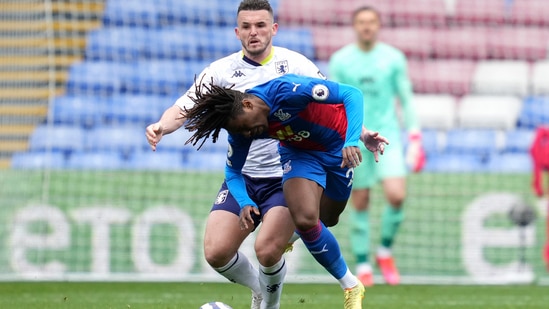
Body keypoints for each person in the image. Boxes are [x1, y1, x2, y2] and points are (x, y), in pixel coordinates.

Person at [146, 1, 329, 308]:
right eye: (246, 27)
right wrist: (163, 126)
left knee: (268, 251)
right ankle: (261, 290)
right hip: (243, 176)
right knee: (216, 252)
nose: (253, 32)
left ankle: (270, 302)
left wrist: (358, 134)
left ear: (273, 29)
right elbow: (184, 106)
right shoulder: (221, 71)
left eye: (260, 25)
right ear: (237, 31)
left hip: (288, 175)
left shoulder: (295, 64)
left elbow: (331, 100)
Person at [182, 73, 389, 309]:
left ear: (248, 105)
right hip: (299, 154)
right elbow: (233, 172)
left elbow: (352, 94)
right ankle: (351, 286)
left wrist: (354, 139)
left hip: (338, 147)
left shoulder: (287, 90)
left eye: (245, 127)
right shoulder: (242, 129)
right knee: (305, 219)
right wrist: (244, 201)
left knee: (328, 218)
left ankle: (292, 235)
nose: (248, 134)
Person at [329, 6, 425, 287]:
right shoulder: (342, 60)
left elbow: (405, 98)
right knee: (360, 201)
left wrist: (415, 137)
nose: (366, 27)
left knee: (396, 196)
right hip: (356, 138)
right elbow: (335, 101)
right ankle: (362, 262)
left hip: (388, 137)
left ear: (379, 25)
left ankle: (384, 251)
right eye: (361, 22)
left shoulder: (393, 58)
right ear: (354, 25)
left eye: (371, 22)